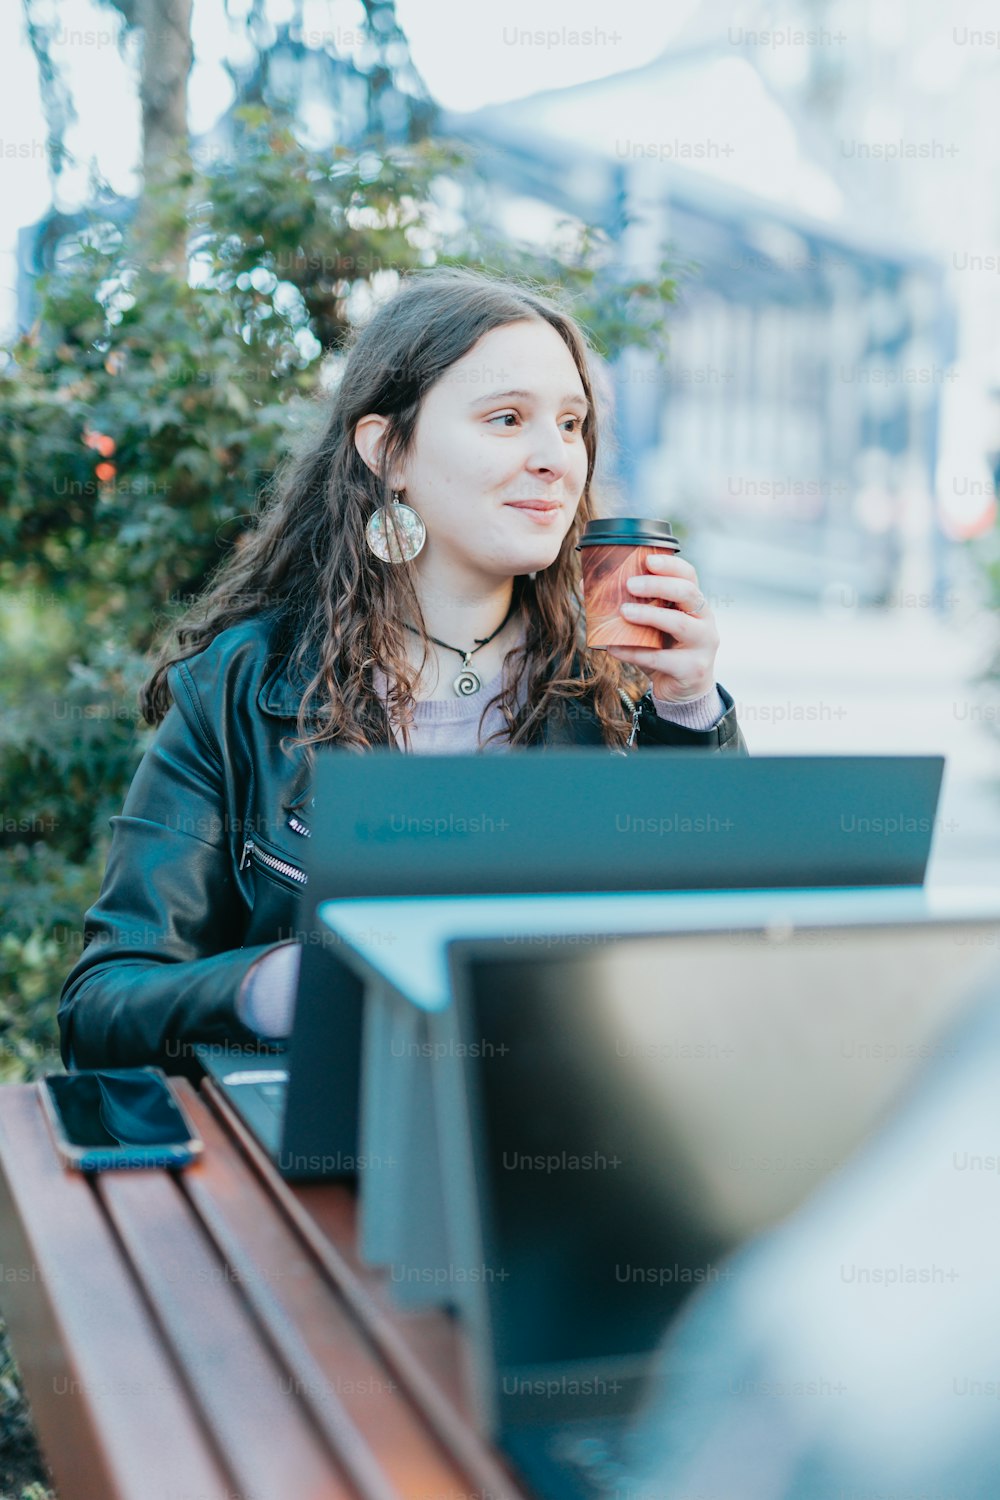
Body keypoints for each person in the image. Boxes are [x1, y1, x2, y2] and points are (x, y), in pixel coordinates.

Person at [58, 267, 747, 1071]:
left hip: (559, 1136)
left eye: (570, 424)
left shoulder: (614, 681)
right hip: (320, 1157)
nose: (556, 459)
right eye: (506, 418)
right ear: (387, 451)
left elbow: (714, 957)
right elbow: (104, 1004)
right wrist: (280, 986)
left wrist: (691, 708)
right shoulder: (244, 686)